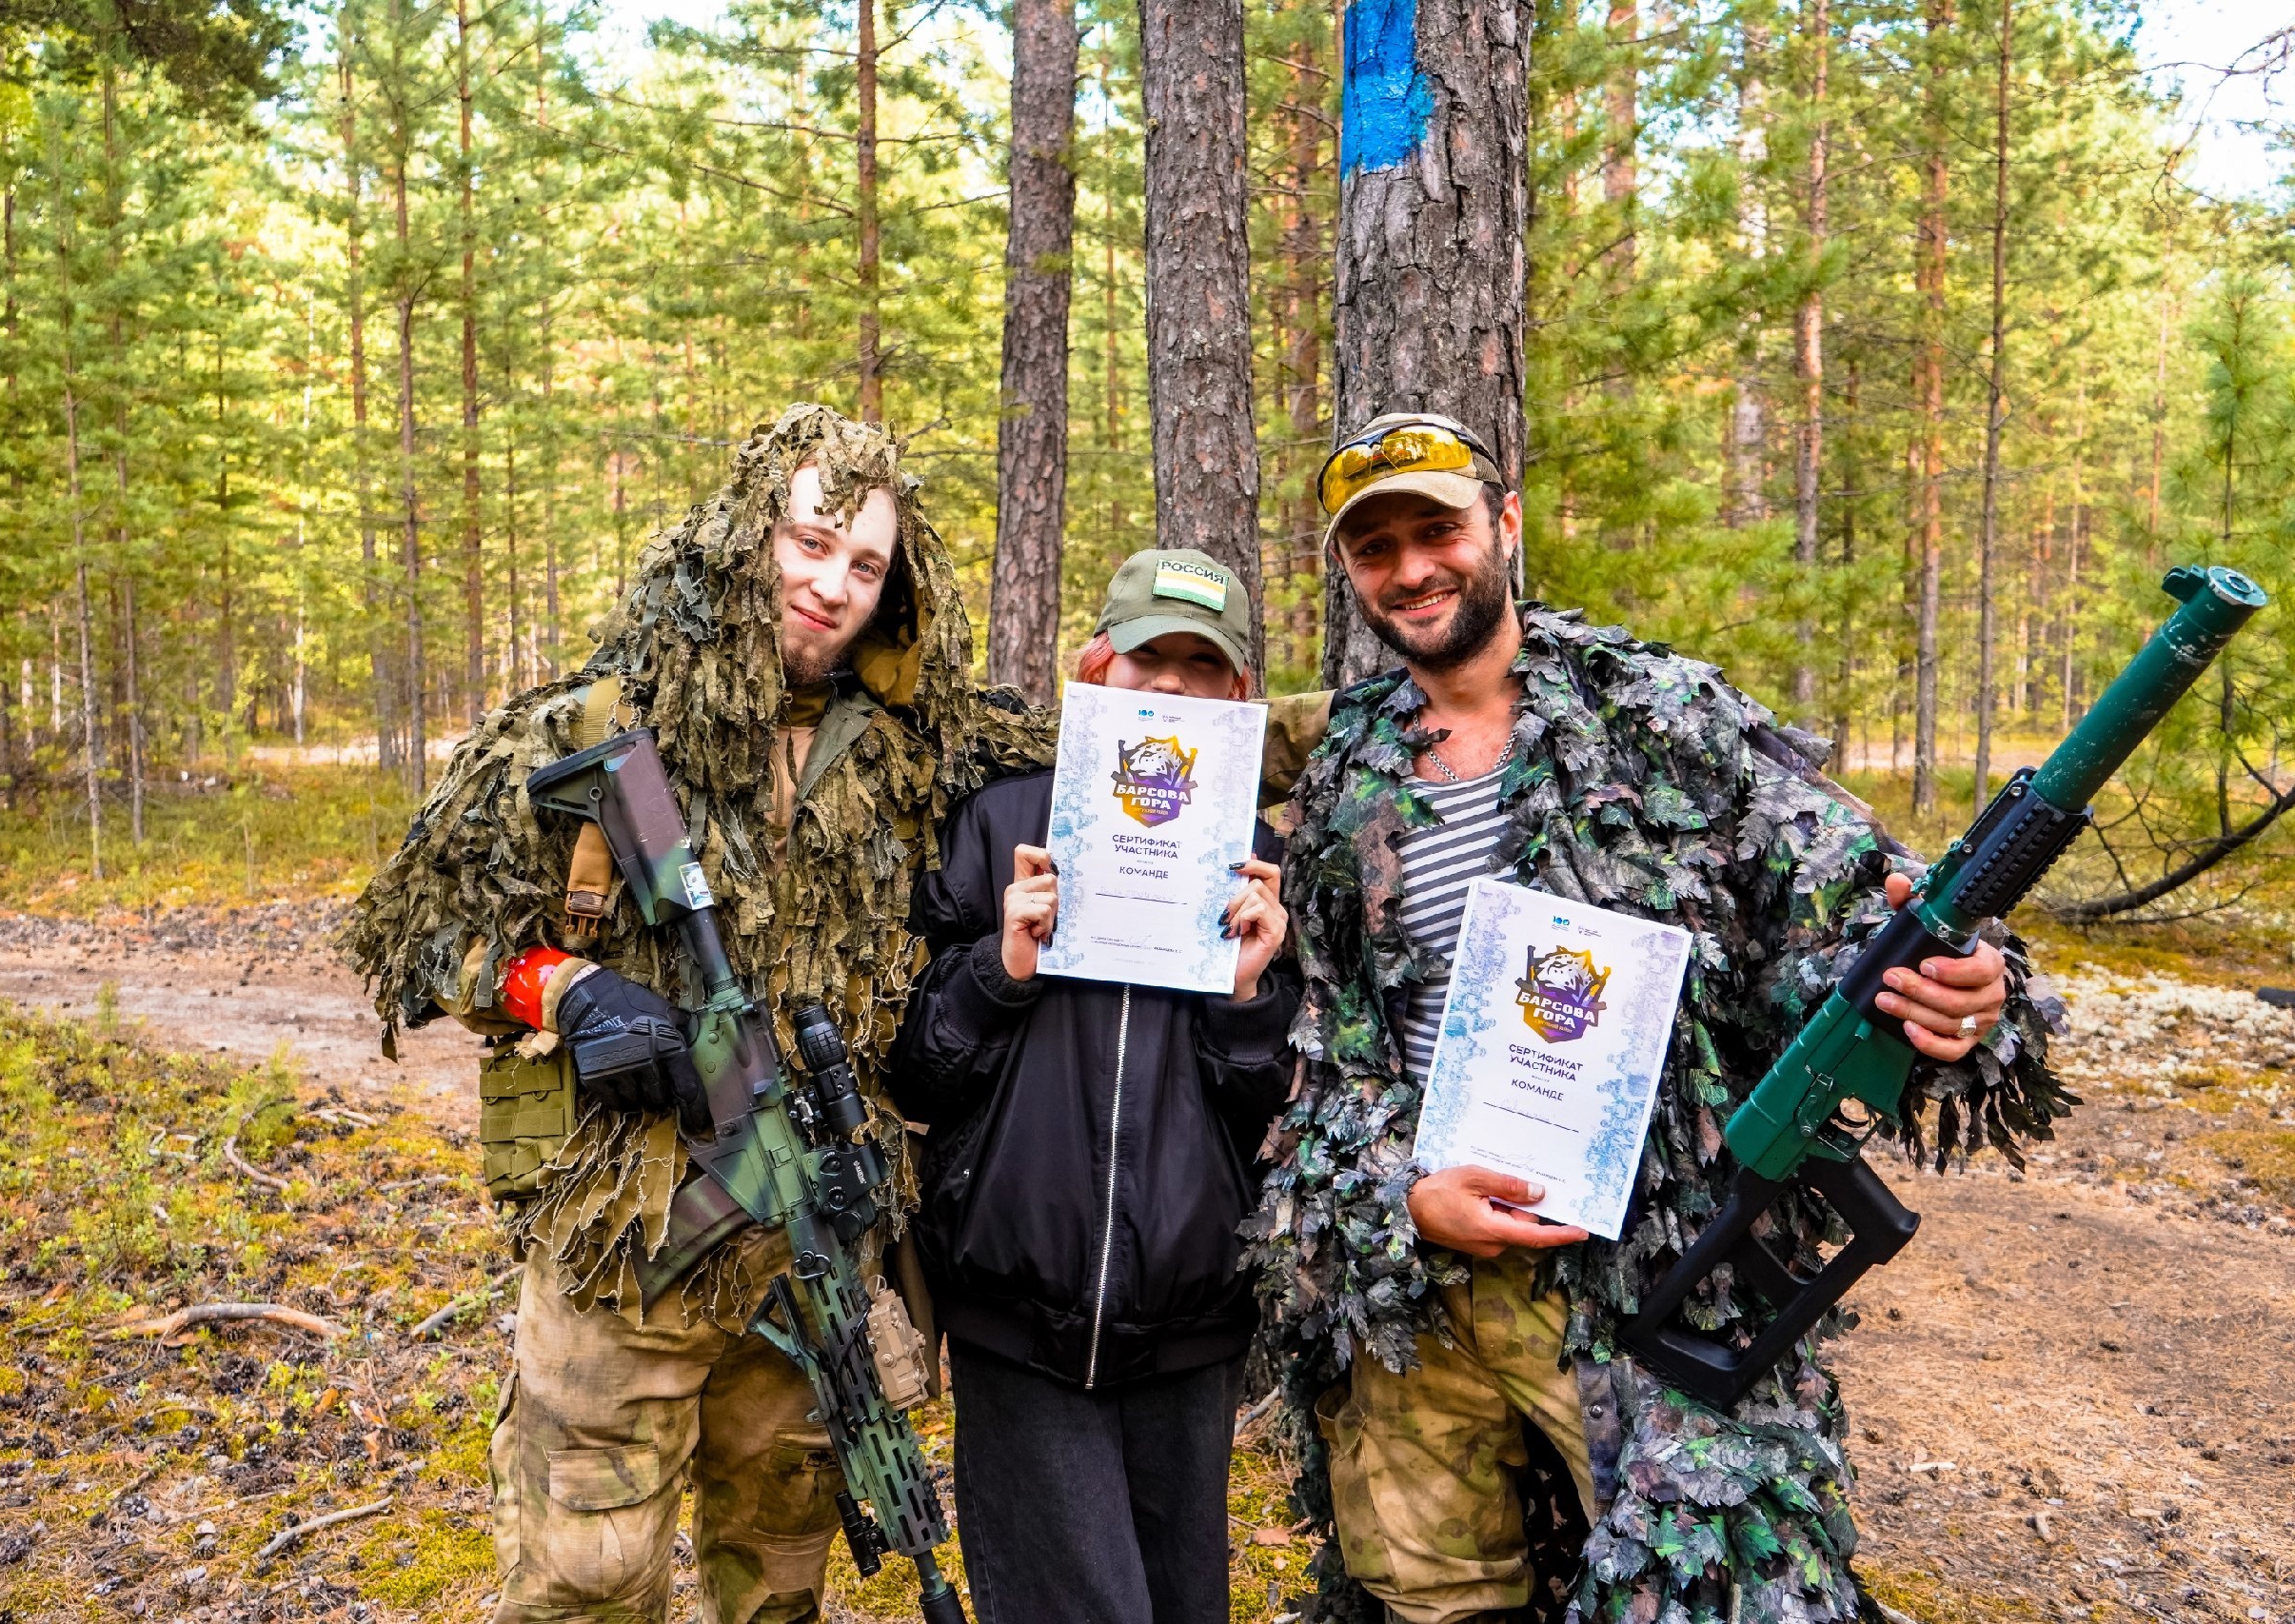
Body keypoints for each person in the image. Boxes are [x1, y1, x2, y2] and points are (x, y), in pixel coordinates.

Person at [1248, 412, 2067, 1623]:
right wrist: (1401, 1198)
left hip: (1657, 1282)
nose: (1412, 568)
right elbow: (1333, 1046)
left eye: (1439, 530)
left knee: (1712, 1588)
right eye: (1377, 549)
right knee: (1422, 1597)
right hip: (1419, 1286)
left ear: (1505, 525)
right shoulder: (1343, 768)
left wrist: (1962, 989)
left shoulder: (1658, 712)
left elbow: (1853, 915)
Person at [344, 404, 1048, 1624]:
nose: (830, 585)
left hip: (816, 1246)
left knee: (779, 1582)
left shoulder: (923, 747)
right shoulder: (586, 728)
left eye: (865, 564)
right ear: (745, 535)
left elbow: (1133, 760)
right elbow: (420, 934)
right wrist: (566, 990)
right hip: (628, 1249)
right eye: (811, 541)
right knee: (585, 1583)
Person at [886, 548, 1303, 1624]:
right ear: (1094, 667)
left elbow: (1276, 1121)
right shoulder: (998, 825)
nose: (1168, 686)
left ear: (1236, 696)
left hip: (1189, 1324)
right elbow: (915, 1073)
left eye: (1199, 666)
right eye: (1145, 656)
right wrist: (999, 968)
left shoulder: (1256, 863)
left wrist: (1248, 994)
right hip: (1016, 1313)